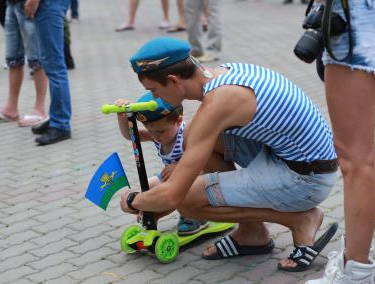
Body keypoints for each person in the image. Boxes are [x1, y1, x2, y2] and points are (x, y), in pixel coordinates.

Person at [120, 37, 339, 270]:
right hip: (299, 158)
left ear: (173, 80)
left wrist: (136, 201)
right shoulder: (226, 73)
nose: (154, 98)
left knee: (187, 202)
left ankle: (299, 219)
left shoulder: (219, 101)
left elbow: (172, 196)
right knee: (194, 136)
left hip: (306, 179)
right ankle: (251, 232)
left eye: (153, 90)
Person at [305, 0, 375, 283]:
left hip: (355, 15)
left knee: (355, 160)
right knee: (359, 158)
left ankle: (356, 272)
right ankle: (355, 267)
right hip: (359, 15)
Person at [115, 93, 208, 235]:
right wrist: (121, 117)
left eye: (161, 131)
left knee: (172, 189)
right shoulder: (156, 134)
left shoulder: (187, 134)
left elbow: (206, 161)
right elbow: (130, 135)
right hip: (169, 177)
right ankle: (153, 214)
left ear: (178, 121)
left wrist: (179, 167)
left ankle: (194, 216)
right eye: (150, 131)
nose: (155, 136)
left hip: (196, 176)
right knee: (145, 189)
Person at [0, 0, 48, 127]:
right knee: (13, 58)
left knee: (37, 59)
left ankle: (40, 109)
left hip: (28, 4)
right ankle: (11, 108)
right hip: (11, 5)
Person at [24, 0, 72, 146]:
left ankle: (61, 124)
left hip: (49, 4)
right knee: (52, 63)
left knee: (54, 64)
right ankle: (57, 117)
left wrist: (33, 1)